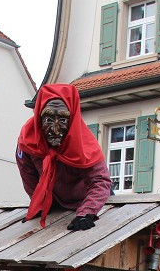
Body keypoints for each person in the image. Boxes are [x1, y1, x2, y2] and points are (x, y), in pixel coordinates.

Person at [16, 84, 111, 230]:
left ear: (71, 117)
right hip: (56, 203)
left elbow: (100, 181)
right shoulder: (27, 141)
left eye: (62, 120)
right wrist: (40, 206)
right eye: (48, 120)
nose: (55, 129)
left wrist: (86, 212)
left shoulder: (85, 143)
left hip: (88, 200)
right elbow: (29, 178)